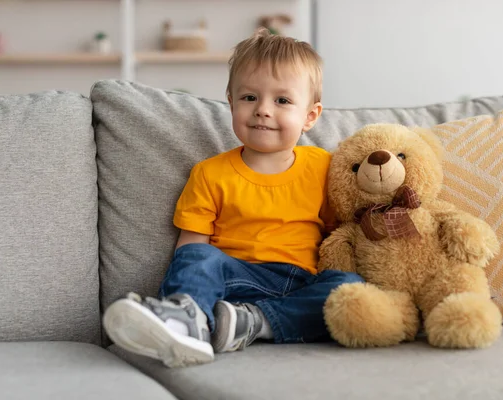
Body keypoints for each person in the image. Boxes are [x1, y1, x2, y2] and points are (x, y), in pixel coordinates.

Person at [103, 28, 364, 368]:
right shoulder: (210, 173)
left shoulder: (325, 168)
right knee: (198, 256)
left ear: (310, 116)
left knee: (349, 288)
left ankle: (254, 322)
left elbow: (338, 236)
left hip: (299, 281)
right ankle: (186, 321)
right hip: (230, 279)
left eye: (282, 100)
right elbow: (191, 248)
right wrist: (190, 288)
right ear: (231, 101)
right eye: (249, 97)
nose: (263, 110)